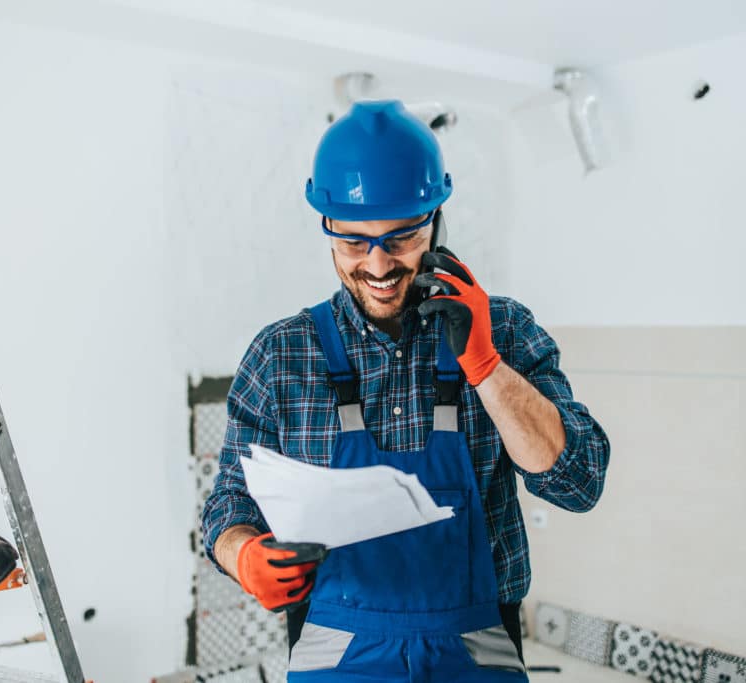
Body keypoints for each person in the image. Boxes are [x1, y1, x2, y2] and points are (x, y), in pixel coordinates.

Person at [201, 100, 610, 681]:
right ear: (327, 229)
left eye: (401, 238)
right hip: (333, 649)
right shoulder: (281, 354)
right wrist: (241, 553)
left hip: (478, 648)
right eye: (352, 241)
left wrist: (486, 365)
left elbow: (580, 482)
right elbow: (227, 504)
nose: (377, 263)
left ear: (435, 222)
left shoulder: (507, 331)